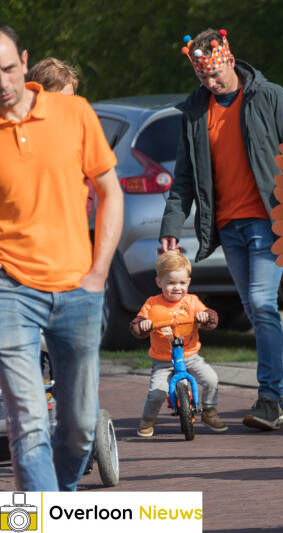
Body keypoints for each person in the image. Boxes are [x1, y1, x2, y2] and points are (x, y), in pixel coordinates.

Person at [160, 28, 283, 431]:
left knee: (261, 304)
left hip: (268, 220)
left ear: (229, 57)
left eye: (216, 73)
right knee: (260, 314)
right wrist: (172, 224)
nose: (211, 82)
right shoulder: (195, 112)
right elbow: (184, 177)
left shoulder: (269, 96)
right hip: (230, 228)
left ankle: (271, 396)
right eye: (203, 77)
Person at [0, 26, 123, 490]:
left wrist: (98, 273)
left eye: (9, 67)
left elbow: (109, 191)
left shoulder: (74, 112)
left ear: (25, 61)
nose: (3, 80)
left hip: (78, 288)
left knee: (79, 428)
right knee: (29, 424)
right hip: (9, 289)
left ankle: (60, 502)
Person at [129, 251, 227, 436]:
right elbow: (136, 325)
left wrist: (205, 317)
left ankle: (209, 411)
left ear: (188, 282)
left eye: (182, 283)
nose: (177, 288)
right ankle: (148, 420)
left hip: (190, 356)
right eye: (171, 283)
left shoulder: (192, 301)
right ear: (160, 282)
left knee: (211, 379)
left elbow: (211, 319)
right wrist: (143, 325)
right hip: (163, 360)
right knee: (157, 392)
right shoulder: (152, 304)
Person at [26, 57, 97, 221]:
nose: (67, 105)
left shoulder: (80, 135)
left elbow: (89, 190)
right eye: (58, 99)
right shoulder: (17, 133)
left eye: (71, 98)